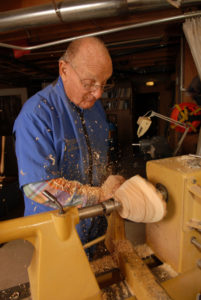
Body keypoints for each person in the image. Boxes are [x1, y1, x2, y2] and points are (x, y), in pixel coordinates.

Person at [13, 37, 125, 255]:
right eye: (89, 83)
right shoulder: (36, 116)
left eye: (104, 83)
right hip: (57, 233)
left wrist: (111, 181)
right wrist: (99, 194)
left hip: (96, 224)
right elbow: (39, 188)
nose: (99, 93)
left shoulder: (95, 109)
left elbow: (98, 161)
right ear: (64, 70)